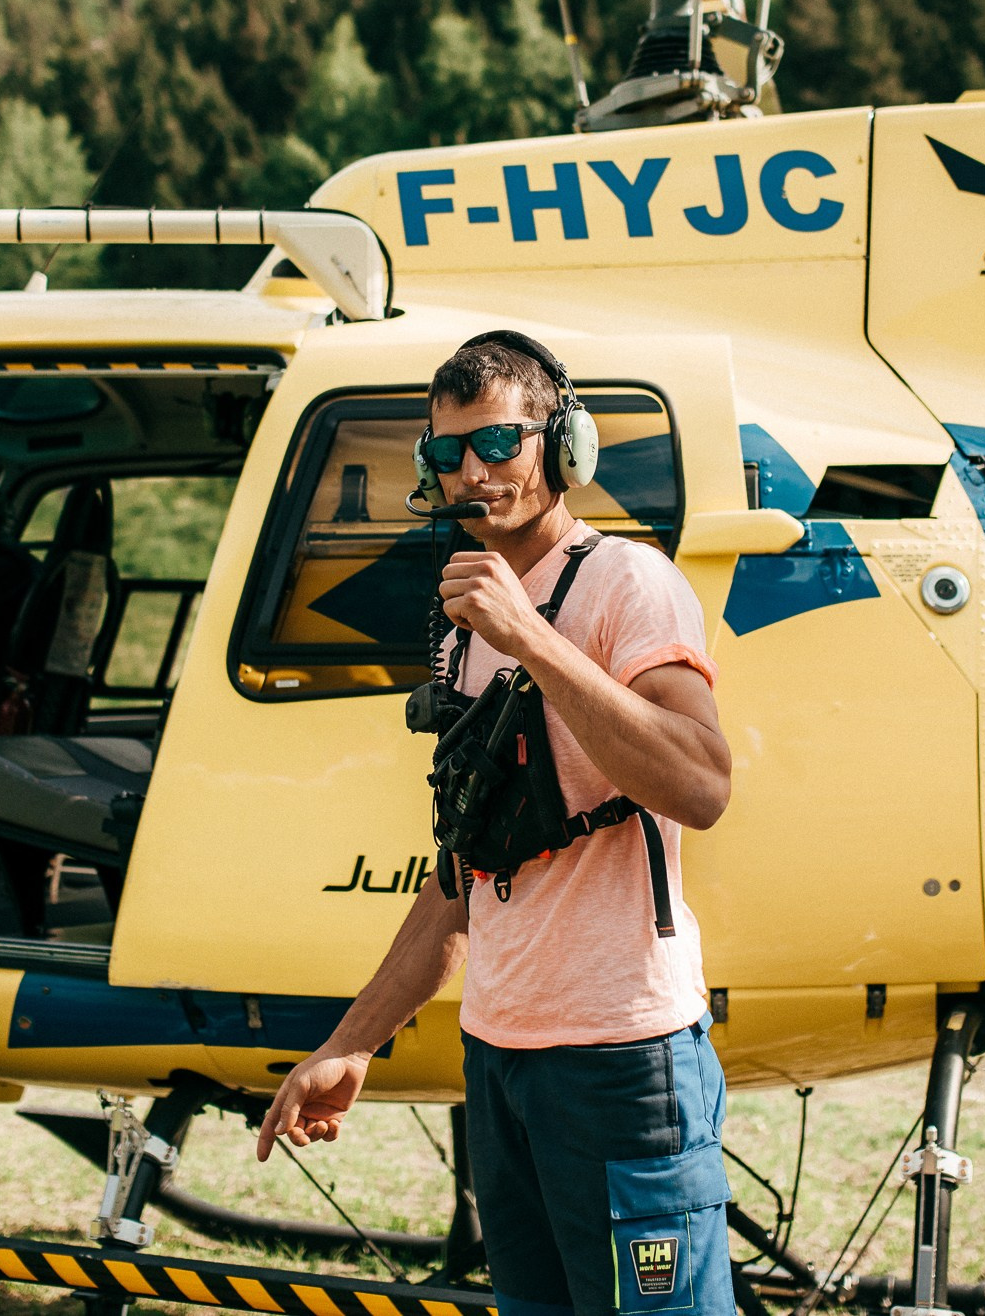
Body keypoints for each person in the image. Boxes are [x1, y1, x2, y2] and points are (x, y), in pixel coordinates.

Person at [256, 331, 736, 1316]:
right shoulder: (465, 626)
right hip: (500, 1060)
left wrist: (529, 635)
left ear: (564, 447)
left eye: (499, 443)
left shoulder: (626, 585)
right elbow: (464, 874)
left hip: (621, 1059)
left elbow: (699, 785)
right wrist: (352, 1042)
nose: (472, 471)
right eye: (445, 453)